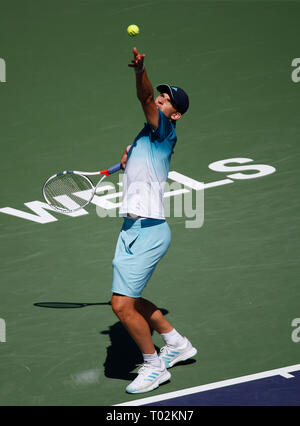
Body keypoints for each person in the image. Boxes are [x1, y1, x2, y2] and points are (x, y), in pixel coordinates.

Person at [110, 47, 197, 394]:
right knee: (131, 301)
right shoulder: (145, 136)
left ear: (174, 115)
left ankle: (153, 366)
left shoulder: (163, 131)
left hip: (149, 230)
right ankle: (176, 344)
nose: (160, 99)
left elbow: (144, 95)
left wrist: (139, 72)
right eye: (161, 95)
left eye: (166, 100)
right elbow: (133, 160)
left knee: (121, 305)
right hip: (131, 229)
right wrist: (127, 159)